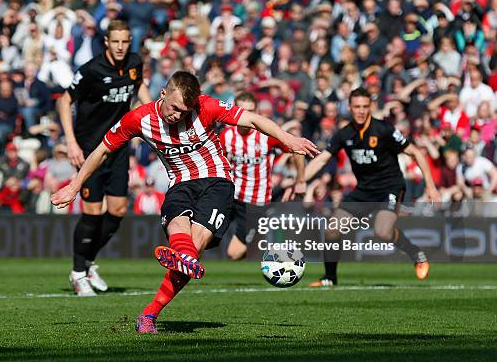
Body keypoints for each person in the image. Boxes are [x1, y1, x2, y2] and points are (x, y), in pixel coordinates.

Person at [51, 71, 319, 333]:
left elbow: (253, 119)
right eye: (175, 108)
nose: (177, 115)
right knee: (181, 235)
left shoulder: (206, 106)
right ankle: (184, 261)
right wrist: (75, 185)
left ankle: (151, 312)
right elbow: (103, 150)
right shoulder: (139, 118)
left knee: (197, 242)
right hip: (180, 183)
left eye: (184, 111)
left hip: (217, 180)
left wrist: (288, 139)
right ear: (163, 93)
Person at [304, 87, 440, 287]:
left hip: (389, 186)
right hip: (364, 190)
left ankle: (414, 252)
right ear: (349, 107)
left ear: (371, 107)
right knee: (332, 229)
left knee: (382, 232)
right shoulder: (344, 133)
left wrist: (431, 187)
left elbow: (416, 153)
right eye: (357, 106)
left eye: (365, 107)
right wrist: (300, 180)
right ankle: (329, 278)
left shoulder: (383, 129)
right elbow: (322, 159)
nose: (360, 111)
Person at [57, 20, 151, 296]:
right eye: (116, 42)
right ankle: (77, 273)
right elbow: (64, 101)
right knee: (93, 212)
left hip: (118, 146)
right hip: (90, 149)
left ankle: (87, 263)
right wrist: (71, 142)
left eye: (125, 42)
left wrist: (151, 110)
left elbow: (139, 88)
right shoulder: (91, 70)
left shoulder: (134, 63)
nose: (121, 47)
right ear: (107, 42)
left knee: (119, 210)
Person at [219, 92, 306, 260]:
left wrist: (300, 180)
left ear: (257, 112)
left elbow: (297, 148)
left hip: (256, 201)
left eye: (250, 111)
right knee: (205, 236)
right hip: (230, 196)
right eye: (241, 110)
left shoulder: (266, 135)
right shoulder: (226, 135)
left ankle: (258, 241)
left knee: (234, 253)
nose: (245, 116)